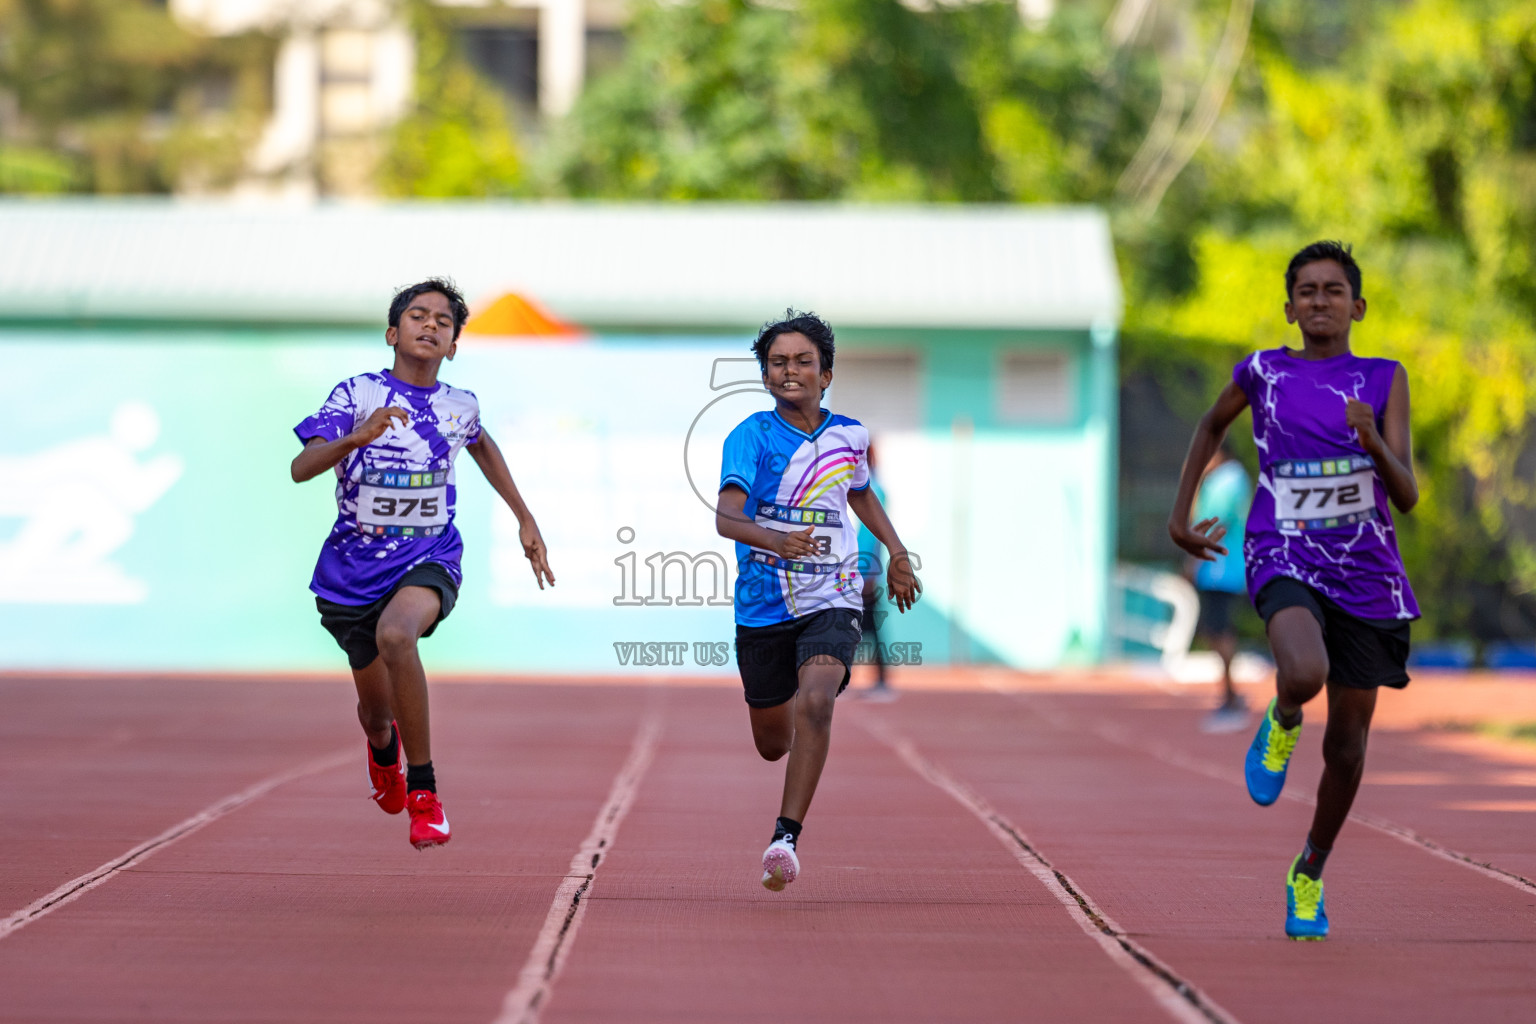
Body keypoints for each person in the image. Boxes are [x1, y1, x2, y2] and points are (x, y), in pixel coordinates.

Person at [1168, 241, 1419, 940]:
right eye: (1306, 291)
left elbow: (1408, 496)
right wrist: (1179, 516)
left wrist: (1373, 443)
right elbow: (1212, 424)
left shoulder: (1383, 378)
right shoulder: (1264, 372)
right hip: (1283, 548)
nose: (1319, 301)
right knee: (1303, 672)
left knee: (1347, 749)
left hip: (1366, 571)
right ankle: (1281, 717)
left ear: (1357, 306)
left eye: (1332, 290)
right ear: (1289, 307)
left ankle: (1308, 870)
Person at [291, 279, 555, 850]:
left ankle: (425, 791)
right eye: (418, 315)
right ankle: (383, 750)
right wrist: (358, 436)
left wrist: (524, 516)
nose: (430, 325)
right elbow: (301, 466)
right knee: (374, 714)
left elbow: (481, 444)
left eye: (443, 321)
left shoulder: (460, 407)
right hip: (351, 572)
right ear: (393, 332)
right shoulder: (357, 394)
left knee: (397, 634)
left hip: (430, 555)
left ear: (454, 345)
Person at [715, 311, 920, 891]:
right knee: (772, 743)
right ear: (764, 374)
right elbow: (727, 517)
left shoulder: (850, 436)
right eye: (778, 362)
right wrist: (776, 539)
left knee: (818, 699)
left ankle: (785, 837)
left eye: (803, 361)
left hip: (833, 596)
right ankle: (785, 753)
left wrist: (897, 551)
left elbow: (862, 496)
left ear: (825, 373)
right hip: (762, 607)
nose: (790, 371)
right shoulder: (749, 437)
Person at [1189, 444, 1251, 732]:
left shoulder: (1229, 478)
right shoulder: (1219, 479)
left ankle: (1231, 696)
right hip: (1214, 568)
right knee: (1214, 632)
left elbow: (1211, 524)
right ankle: (1230, 694)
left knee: (1221, 631)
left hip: (1223, 567)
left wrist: (1191, 557)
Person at [854, 440, 895, 701]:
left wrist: (867, 573)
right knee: (858, 626)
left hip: (863, 573)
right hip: (858, 571)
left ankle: (881, 681)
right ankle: (878, 680)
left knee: (861, 625)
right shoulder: (867, 487)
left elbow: (871, 536)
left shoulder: (872, 489)